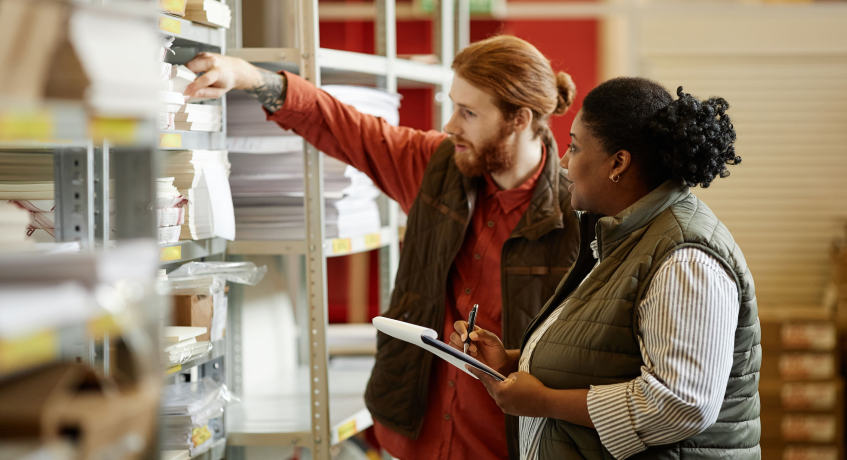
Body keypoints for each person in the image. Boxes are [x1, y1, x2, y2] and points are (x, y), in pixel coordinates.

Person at [183, 35, 581, 460]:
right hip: (413, 437)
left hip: (508, 445)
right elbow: (347, 128)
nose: (450, 125)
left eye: (468, 112)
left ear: (519, 119)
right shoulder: (438, 168)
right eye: (453, 105)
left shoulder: (578, 219)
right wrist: (248, 77)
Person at [451, 78, 760, 460]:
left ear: (618, 163)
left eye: (575, 147)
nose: (564, 161)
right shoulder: (624, 236)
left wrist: (545, 402)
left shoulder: (686, 259)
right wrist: (512, 361)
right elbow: (606, 355)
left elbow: (682, 403)